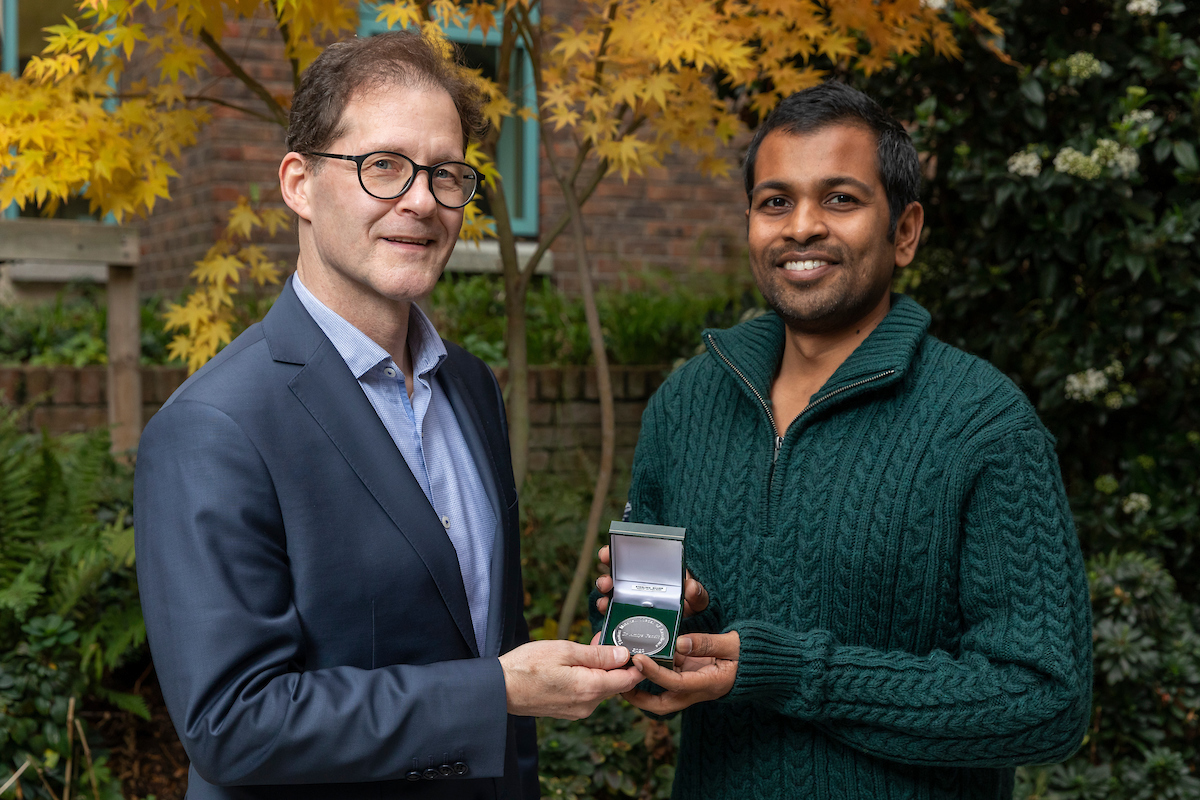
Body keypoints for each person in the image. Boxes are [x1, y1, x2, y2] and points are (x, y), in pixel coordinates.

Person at [135, 31, 642, 800]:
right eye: (383, 167)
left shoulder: (471, 387)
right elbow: (234, 724)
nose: (421, 200)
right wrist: (494, 693)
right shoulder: (214, 425)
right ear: (299, 184)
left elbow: (476, 629)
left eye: (446, 175)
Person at [595, 82, 1093, 798]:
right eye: (775, 202)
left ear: (905, 231)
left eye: (840, 199)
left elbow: (1045, 701)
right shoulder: (686, 404)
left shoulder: (984, 424)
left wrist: (790, 674)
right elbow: (631, 618)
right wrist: (647, 631)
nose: (801, 226)